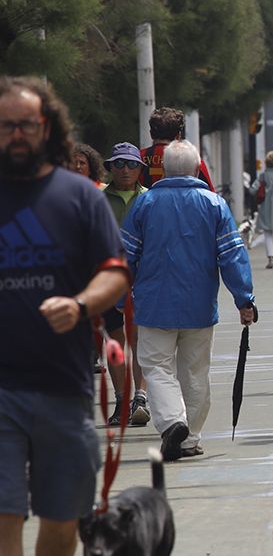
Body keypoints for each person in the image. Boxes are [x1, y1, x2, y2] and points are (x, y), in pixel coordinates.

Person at [0, 76, 131, 556]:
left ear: (47, 127)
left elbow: (114, 273)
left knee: (61, 519)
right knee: (3, 517)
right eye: (6, 125)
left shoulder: (80, 198)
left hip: (64, 384)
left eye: (26, 124)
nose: (16, 135)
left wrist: (80, 305)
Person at [121, 141, 256, 462]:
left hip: (154, 306)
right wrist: (244, 299)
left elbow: (125, 256)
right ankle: (189, 437)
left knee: (155, 367)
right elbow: (232, 256)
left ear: (163, 170)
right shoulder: (214, 205)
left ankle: (171, 422)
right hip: (199, 306)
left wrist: (117, 296)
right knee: (195, 372)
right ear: (197, 169)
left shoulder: (144, 204)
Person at [101, 143, 151, 428]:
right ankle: (121, 400)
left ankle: (140, 399)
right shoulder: (97, 199)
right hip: (107, 279)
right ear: (109, 167)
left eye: (131, 164)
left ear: (140, 169)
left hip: (143, 281)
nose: (125, 170)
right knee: (115, 342)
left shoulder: (149, 199)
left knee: (139, 341)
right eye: (118, 164)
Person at [139, 106, 214, 190]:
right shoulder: (192, 159)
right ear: (178, 135)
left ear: (151, 134)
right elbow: (210, 192)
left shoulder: (138, 158)